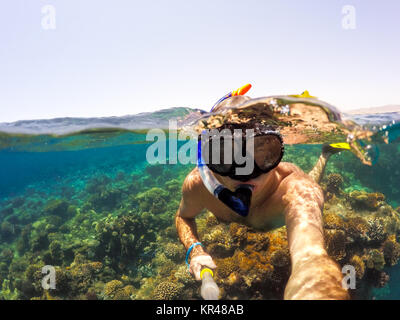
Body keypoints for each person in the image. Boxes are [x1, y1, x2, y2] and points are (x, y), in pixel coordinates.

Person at [175, 92, 350, 300]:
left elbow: (310, 258)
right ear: (208, 160)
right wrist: (195, 250)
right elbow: (183, 216)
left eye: (263, 155)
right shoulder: (198, 186)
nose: (246, 174)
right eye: (225, 157)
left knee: (311, 180)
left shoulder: (295, 189)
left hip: (290, 186)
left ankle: (325, 154)